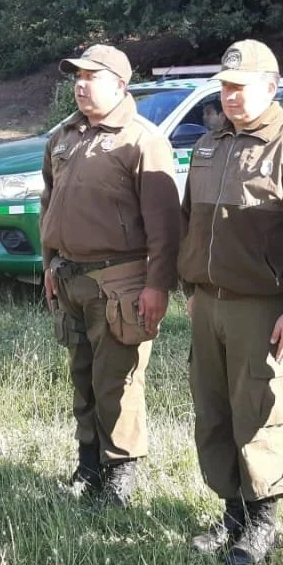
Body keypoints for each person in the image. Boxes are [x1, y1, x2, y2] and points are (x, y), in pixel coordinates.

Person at [178, 40, 283, 565]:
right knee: (214, 410)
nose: (231, 96)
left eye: (241, 87)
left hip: (263, 307)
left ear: (271, 87)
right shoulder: (208, 145)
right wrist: (190, 288)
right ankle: (232, 515)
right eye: (225, 87)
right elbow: (188, 222)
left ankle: (263, 522)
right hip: (208, 304)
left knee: (260, 412)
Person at [42, 44, 181, 508]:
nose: (80, 85)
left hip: (120, 282)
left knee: (116, 380)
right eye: (76, 77)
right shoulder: (63, 136)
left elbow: (165, 226)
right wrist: (48, 266)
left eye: (91, 77)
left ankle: (120, 472)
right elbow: (48, 204)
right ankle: (88, 464)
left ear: (120, 85)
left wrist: (157, 286)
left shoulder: (142, 140)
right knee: (81, 374)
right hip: (69, 276)